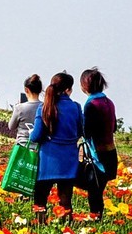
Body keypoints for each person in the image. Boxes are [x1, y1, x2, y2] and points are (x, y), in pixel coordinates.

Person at [28, 72, 82, 224]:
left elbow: (36, 136)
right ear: (68, 89)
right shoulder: (75, 108)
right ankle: (67, 228)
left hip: (48, 159)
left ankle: (40, 226)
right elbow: (80, 131)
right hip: (69, 159)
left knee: (40, 197)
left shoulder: (44, 107)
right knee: (65, 198)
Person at [79, 68, 118, 221]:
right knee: (98, 189)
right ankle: (97, 217)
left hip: (97, 154)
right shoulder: (109, 102)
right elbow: (113, 127)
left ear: (84, 86)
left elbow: (87, 131)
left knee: (93, 189)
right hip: (111, 152)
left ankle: (96, 218)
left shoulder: (91, 105)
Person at [8, 74, 42, 145]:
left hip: (22, 146)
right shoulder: (45, 107)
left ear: (26, 90)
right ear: (40, 90)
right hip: (39, 147)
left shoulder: (19, 108)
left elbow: (11, 126)